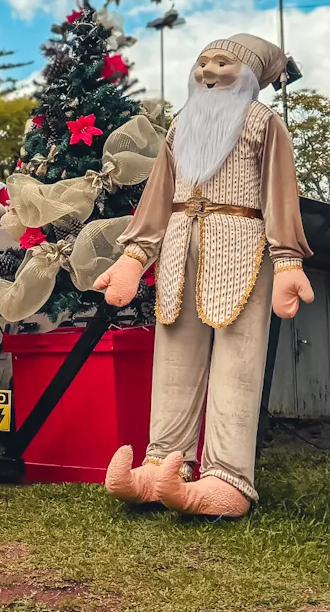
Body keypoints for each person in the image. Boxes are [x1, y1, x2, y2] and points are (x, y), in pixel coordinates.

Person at [93, 34, 314, 517]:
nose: (209, 70)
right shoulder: (182, 124)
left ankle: (226, 477)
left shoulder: (263, 122)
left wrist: (287, 261)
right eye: (203, 62)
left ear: (251, 76)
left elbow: (281, 193)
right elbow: (158, 197)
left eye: (223, 63)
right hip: (178, 245)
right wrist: (133, 258)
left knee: (239, 361)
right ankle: (162, 463)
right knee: (172, 357)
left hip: (243, 244)